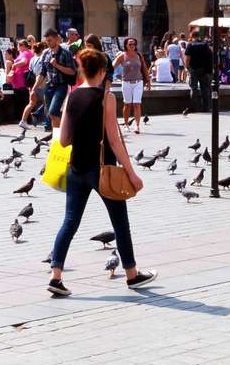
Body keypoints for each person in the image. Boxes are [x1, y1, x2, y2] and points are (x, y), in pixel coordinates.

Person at [46, 46, 151, 297]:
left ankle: (56, 276)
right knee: (120, 223)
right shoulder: (107, 98)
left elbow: (62, 140)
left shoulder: (72, 95)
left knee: (70, 222)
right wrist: (132, 174)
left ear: (81, 69)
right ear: (103, 71)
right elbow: (114, 141)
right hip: (102, 169)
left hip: (76, 168)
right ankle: (132, 275)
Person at [114, 35, 147, 134]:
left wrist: (148, 81)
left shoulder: (139, 55)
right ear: (126, 45)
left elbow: (144, 68)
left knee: (137, 104)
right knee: (127, 104)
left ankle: (137, 126)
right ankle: (126, 125)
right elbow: (113, 66)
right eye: (130, 44)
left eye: (134, 44)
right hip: (126, 82)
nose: (132, 45)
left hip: (138, 82)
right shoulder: (122, 56)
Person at [185, 29, 214, 113]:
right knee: (205, 89)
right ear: (199, 36)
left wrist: (188, 68)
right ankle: (206, 108)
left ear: (191, 36)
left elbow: (187, 59)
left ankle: (194, 107)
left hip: (194, 69)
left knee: (194, 88)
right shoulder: (205, 45)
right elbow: (210, 56)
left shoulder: (190, 45)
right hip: (204, 70)